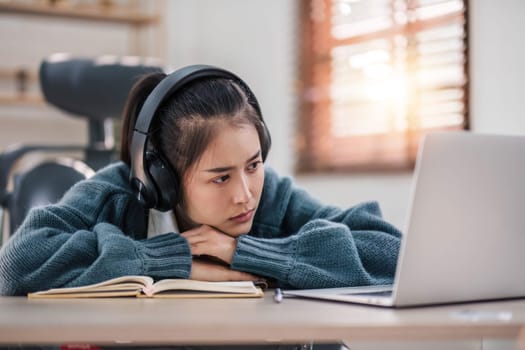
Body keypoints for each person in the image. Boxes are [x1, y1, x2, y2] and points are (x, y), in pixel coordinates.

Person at [0, 65, 401, 349]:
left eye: (254, 164)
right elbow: (17, 262)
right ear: (164, 178)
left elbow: (393, 252)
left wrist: (249, 253)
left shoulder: (272, 195)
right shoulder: (118, 194)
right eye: (220, 177)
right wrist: (170, 259)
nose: (245, 193)